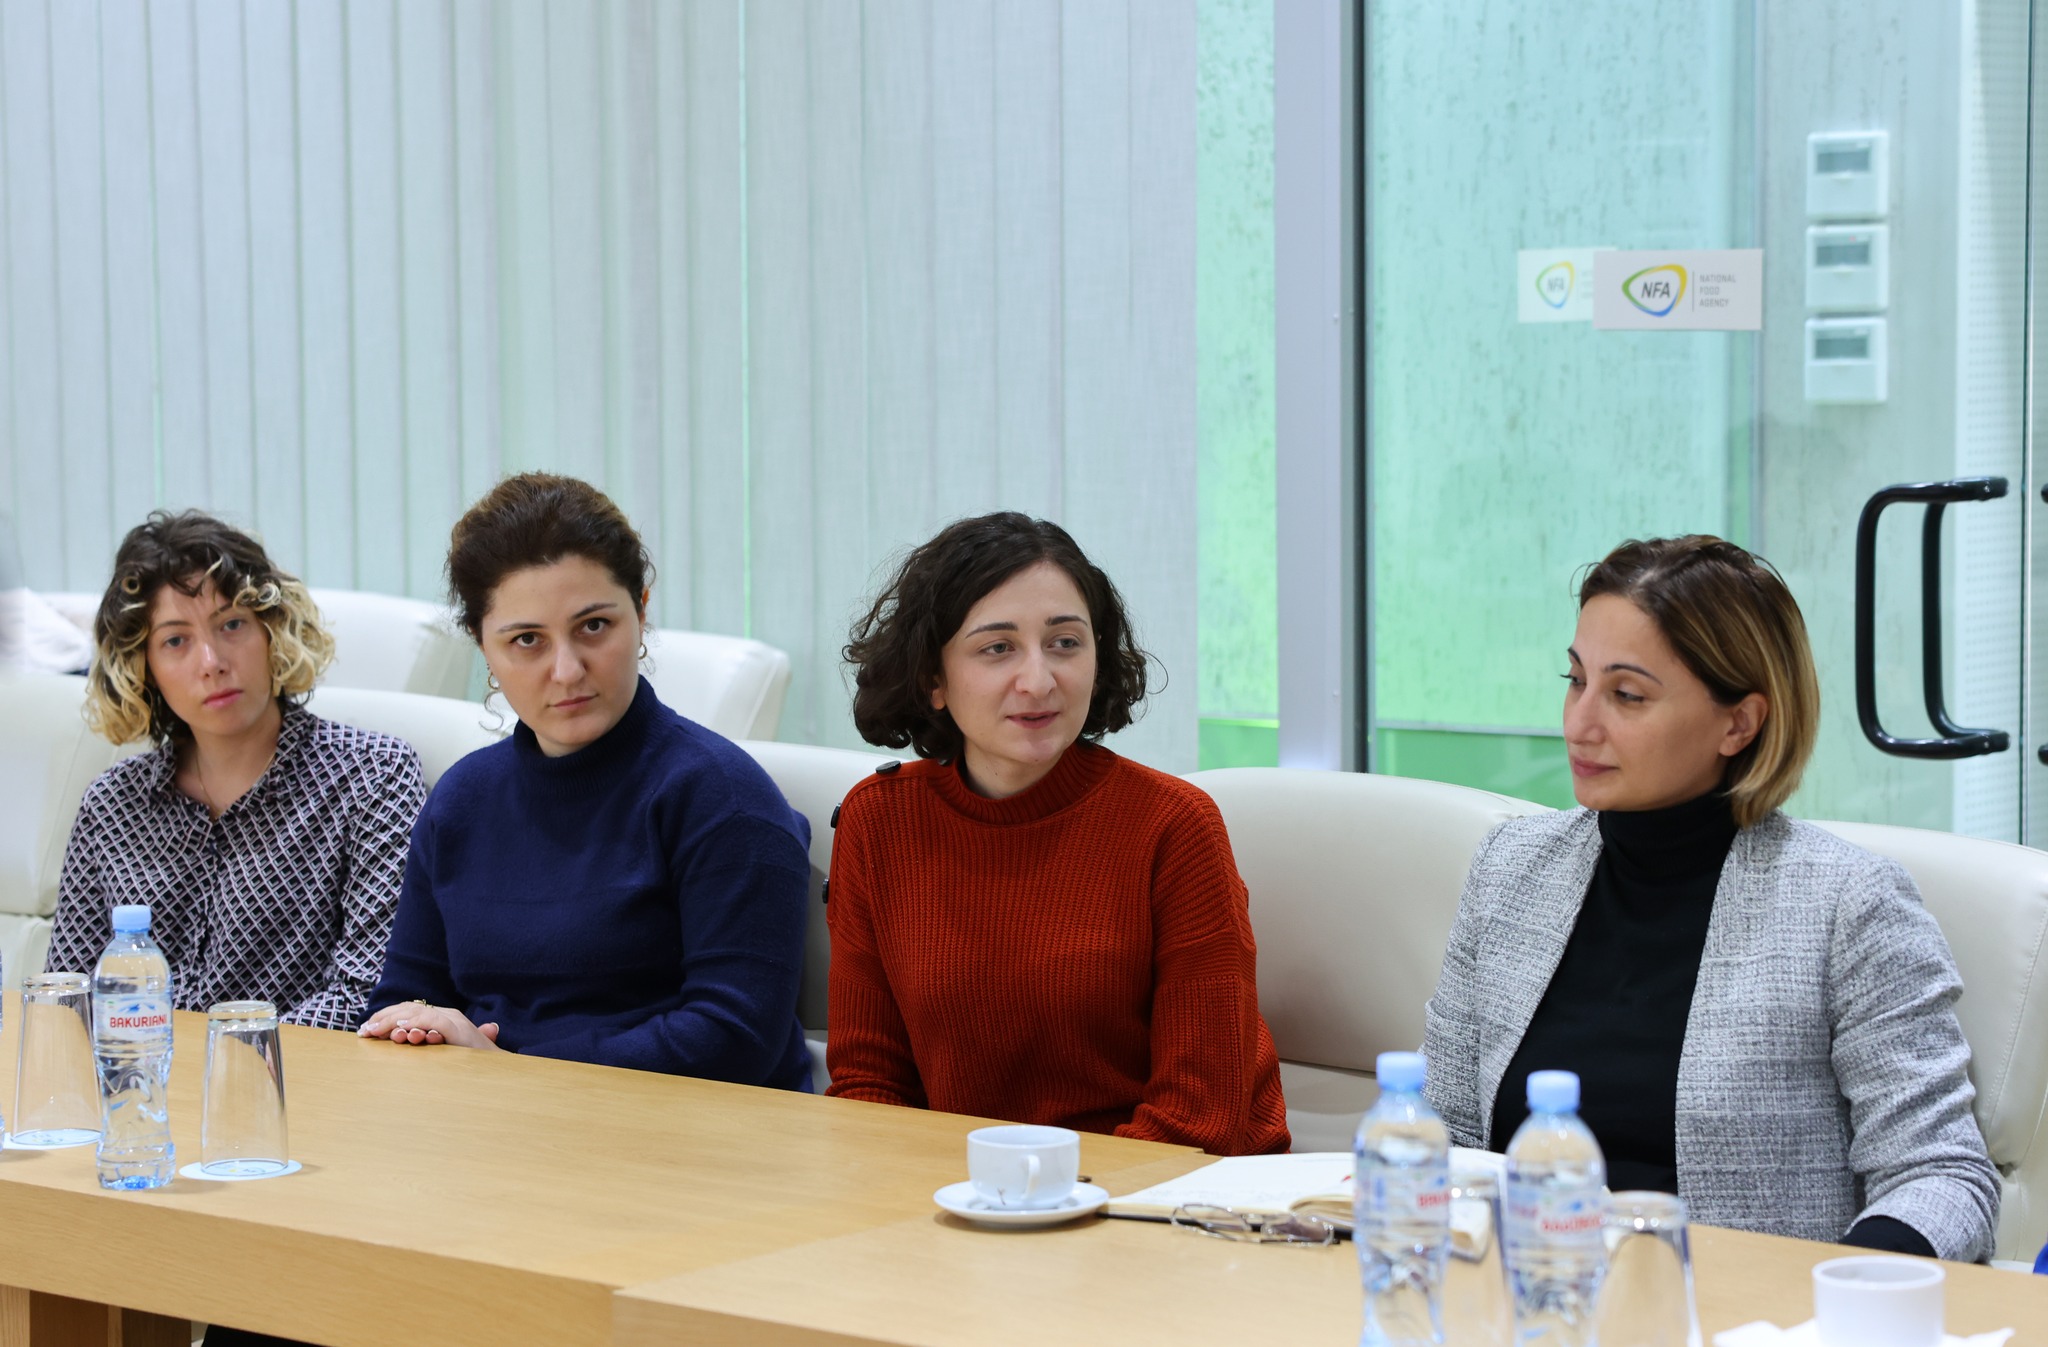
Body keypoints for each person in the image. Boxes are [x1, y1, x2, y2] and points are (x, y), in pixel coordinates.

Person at [1422, 535, 1999, 1260]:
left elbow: (1942, 1175)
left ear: (1739, 723)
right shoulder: (1512, 868)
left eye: (1627, 695)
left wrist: (1846, 1294)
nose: (1579, 723)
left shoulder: (1848, 905)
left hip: (1748, 1308)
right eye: (1576, 680)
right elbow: (1443, 1132)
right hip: (1524, 1293)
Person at [824, 512, 1290, 1155]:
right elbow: (868, 1086)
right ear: (933, 679)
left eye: (1065, 642)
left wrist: (1044, 1198)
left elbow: (1200, 1117)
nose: (1039, 681)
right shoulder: (879, 823)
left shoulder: (1174, 825)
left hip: (1165, 1189)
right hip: (963, 1195)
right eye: (997, 648)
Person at [360, 473, 812, 1091]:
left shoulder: (723, 797)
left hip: (686, 1132)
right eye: (527, 640)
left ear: (642, 611)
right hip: (489, 1120)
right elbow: (403, 1000)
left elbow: (735, 1036)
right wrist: (424, 1035)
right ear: (482, 645)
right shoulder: (461, 799)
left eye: (594, 626)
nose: (567, 670)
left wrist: (509, 1068)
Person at [47, 511, 426, 1031]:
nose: (211, 661)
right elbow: (68, 1000)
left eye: (231, 625)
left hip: (304, 1078)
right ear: (144, 667)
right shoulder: (111, 805)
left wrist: (226, 1062)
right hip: (135, 1078)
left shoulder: (372, 777)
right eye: (175, 641)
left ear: (273, 630)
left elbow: (370, 993)